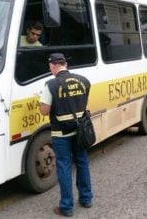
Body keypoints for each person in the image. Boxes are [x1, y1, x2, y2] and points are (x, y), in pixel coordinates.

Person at [39, 53, 93, 217]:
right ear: (65, 64)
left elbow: (44, 110)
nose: (50, 70)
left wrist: (40, 101)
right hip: (80, 131)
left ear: (53, 66)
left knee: (64, 167)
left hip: (61, 134)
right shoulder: (84, 81)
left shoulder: (51, 85)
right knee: (82, 162)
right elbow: (82, 103)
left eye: (50, 67)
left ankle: (67, 207)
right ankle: (86, 199)